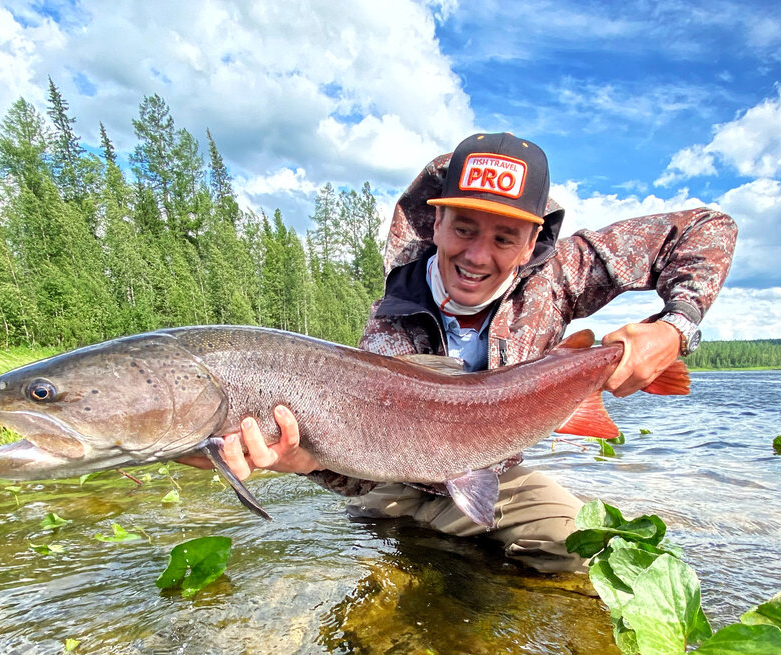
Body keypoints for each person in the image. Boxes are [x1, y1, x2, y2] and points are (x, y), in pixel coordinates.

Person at [184, 132, 737, 572]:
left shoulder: (563, 274)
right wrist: (308, 462)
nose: (477, 255)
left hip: (498, 473)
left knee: (578, 549)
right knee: (390, 554)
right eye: (464, 228)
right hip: (399, 484)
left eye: (502, 238)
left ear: (530, 243)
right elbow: (358, 470)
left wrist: (675, 328)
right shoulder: (391, 322)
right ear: (436, 222)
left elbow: (708, 229)